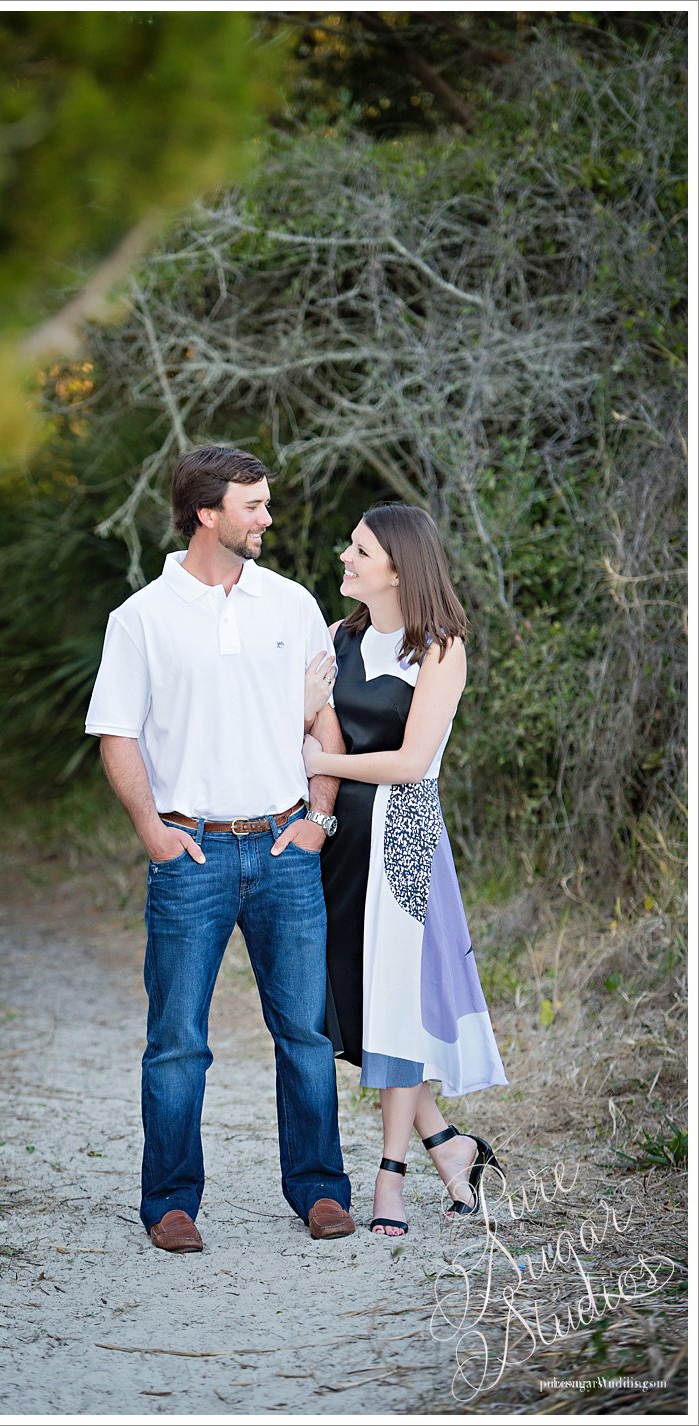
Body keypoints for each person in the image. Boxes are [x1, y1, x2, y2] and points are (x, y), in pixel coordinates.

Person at [85, 445, 354, 1253]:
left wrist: (318, 817)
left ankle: (318, 1192)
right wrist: (154, 836)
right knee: (177, 1041)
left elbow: (322, 720)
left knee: (304, 1033)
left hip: (283, 848)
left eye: (266, 505)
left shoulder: (292, 604)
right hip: (192, 857)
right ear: (207, 513)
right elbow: (116, 734)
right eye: (253, 506)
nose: (268, 519)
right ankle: (170, 1203)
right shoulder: (141, 618)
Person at [302, 503, 507, 1236]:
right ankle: (452, 1149)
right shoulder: (337, 636)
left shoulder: (440, 649)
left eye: (359, 549)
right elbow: (305, 717)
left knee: (395, 1007)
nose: (346, 558)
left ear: (398, 565)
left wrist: (323, 760)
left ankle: (391, 1176)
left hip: (403, 840)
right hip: (336, 843)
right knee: (356, 1009)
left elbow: (414, 763)